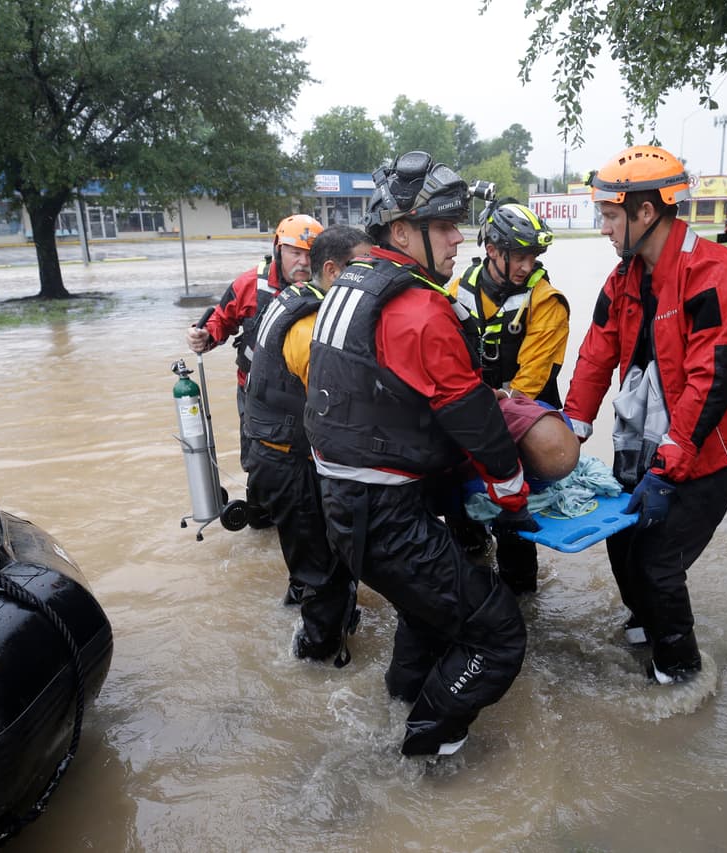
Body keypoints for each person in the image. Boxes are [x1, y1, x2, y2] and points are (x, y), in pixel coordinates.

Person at [305, 151, 535, 757]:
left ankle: (402, 702)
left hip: (344, 506)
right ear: (402, 232)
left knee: (426, 612)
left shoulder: (349, 285)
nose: (459, 238)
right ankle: (424, 750)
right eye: (443, 226)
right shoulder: (418, 308)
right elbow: (470, 413)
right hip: (386, 517)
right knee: (499, 633)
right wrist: (511, 489)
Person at [563, 145, 727, 685]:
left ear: (646, 212)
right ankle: (647, 627)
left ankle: (681, 674)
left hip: (719, 437)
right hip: (655, 427)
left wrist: (668, 466)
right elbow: (596, 353)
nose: (603, 229)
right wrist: (570, 430)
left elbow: (712, 381)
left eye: (610, 216)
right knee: (622, 534)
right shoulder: (623, 278)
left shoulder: (719, 274)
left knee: (659, 559)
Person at [242, 226, 372, 662]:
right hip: (289, 463)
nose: (371, 276)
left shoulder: (294, 297)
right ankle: (316, 657)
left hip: (274, 454)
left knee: (309, 561)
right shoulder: (311, 325)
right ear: (332, 271)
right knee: (324, 570)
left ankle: (307, 619)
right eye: (362, 267)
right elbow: (339, 405)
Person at [450, 201, 570, 594]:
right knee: (460, 519)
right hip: (470, 411)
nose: (526, 265)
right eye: (519, 256)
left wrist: (485, 403)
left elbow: (530, 382)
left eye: (532, 256)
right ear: (492, 250)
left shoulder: (546, 301)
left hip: (522, 417)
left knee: (513, 528)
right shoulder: (458, 289)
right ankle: (471, 565)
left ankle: (520, 597)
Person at [186, 213, 324, 472]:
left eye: (310, 254)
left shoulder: (329, 285)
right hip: (256, 395)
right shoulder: (249, 284)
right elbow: (221, 320)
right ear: (279, 250)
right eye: (295, 253)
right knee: (258, 462)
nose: (304, 262)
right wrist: (204, 335)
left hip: (306, 396)